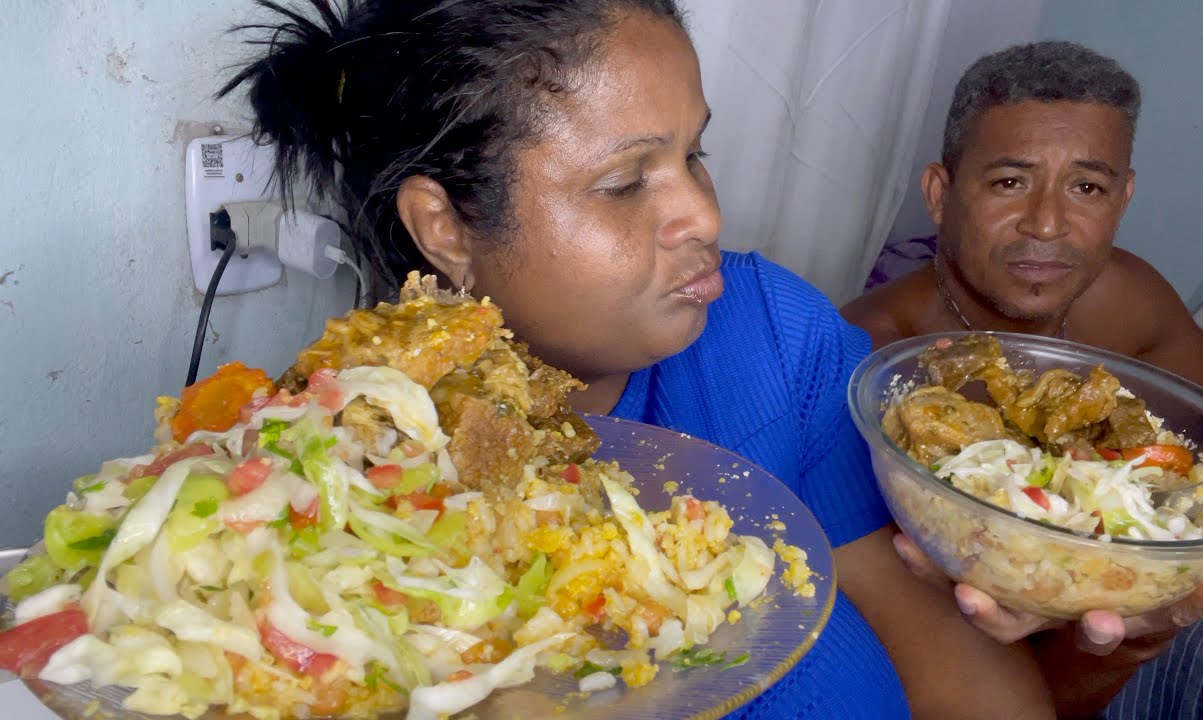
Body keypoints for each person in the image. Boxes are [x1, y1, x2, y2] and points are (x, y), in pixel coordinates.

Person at [218, 2, 1110, 718]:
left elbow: (950, 671)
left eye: (695, 154)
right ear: (445, 228)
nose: (705, 217)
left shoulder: (769, 329)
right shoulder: (341, 470)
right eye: (624, 183)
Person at [841, 40, 1203, 720]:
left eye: (1087, 188)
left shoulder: (1119, 298)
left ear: (1124, 196)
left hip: (1161, 633)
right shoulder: (873, 361)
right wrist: (1112, 631)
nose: (1048, 224)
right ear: (940, 193)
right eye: (1010, 182)